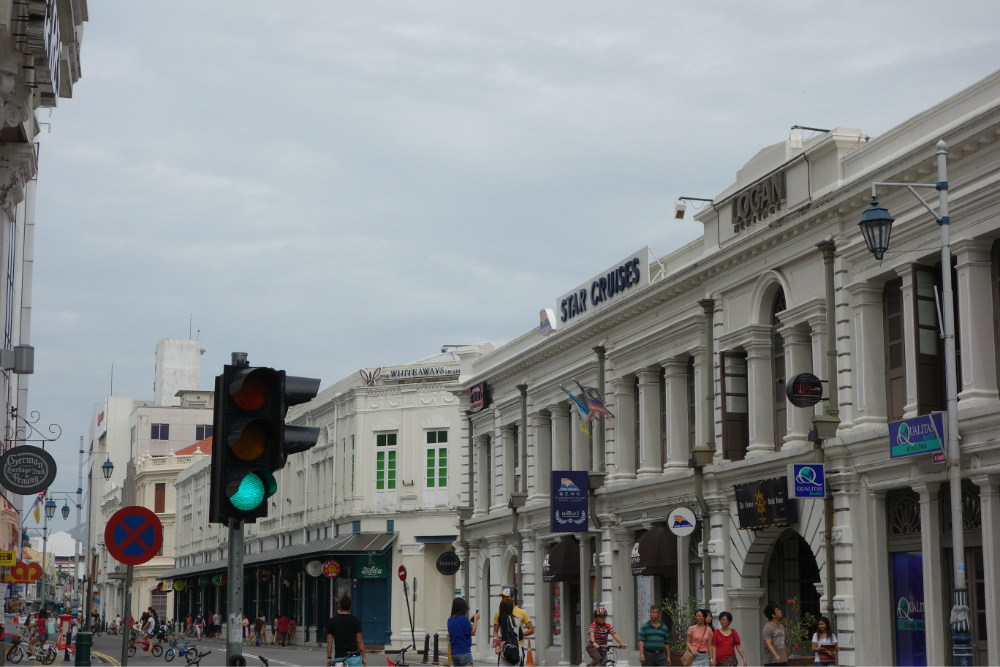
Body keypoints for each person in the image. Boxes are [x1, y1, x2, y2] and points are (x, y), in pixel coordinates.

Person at [326, 595, 366, 666]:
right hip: (354, 657)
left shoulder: (332, 621)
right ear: (351, 606)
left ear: (339, 606)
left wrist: (329, 657)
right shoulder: (355, 621)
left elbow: (329, 641)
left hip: (339, 657)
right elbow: (359, 641)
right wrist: (364, 657)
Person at [447, 598, 479, 666]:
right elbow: (472, 632)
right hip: (464, 651)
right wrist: (476, 619)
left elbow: (459, 627)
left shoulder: (450, 620)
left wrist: (470, 620)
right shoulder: (463, 618)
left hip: (454, 652)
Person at [495, 598, 524, 666]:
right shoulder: (517, 620)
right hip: (517, 651)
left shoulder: (504, 617)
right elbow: (521, 637)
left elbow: (505, 636)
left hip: (507, 651)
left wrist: (501, 651)